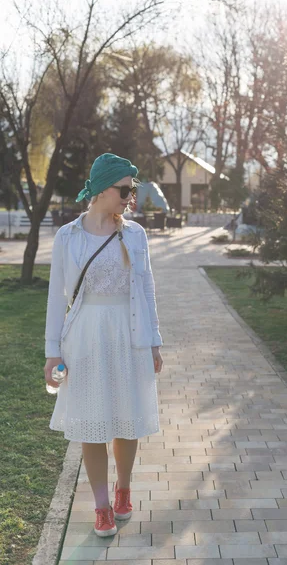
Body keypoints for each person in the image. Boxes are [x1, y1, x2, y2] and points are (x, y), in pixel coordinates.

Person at [43, 153, 164, 537]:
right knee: (92, 424)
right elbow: (54, 298)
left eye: (133, 190)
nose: (131, 198)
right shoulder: (69, 236)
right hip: (85, 339)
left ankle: (123, 486)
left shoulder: (135, 233)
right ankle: (101, 506)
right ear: (100, 189)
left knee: (127, 421)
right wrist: (52, 352)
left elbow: (146, 290)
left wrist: (155, 342)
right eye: (124, 190)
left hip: (129, 336)